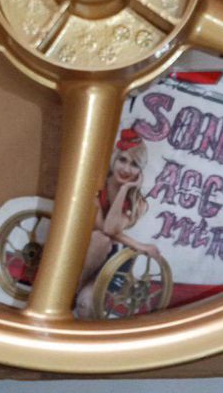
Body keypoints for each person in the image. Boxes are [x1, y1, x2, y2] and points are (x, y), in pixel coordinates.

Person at [75, 128, 162, 318]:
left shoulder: (138, 204)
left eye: (134, 164)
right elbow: (104, 228)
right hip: (83, 251)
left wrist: (125, 189)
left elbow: (111, 227)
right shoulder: (96, 186)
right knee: (100, 239)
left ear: (140, 171)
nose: (126, 169)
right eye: (122, 160)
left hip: (111, 262)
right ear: (114, 159)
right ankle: (70, 291)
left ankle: (76, 296)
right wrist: (139, 246)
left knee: (86, 303)